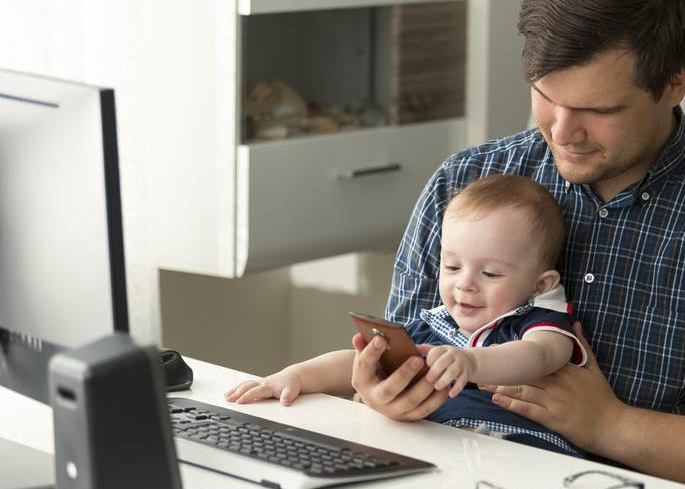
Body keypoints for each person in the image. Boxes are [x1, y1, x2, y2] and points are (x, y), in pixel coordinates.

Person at [352, 0, 685, 488]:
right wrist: (385, 390)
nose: (561, 131)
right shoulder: (465, 184)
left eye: (598, 111)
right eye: (545, 95)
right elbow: (405, 352)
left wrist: (612, 426)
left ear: (675, 83)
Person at [225, 174, 588, 456]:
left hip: (519, 452)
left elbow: (538, 357)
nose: (466, 285)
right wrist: (296, 375)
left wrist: (470, 363)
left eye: (490, 273)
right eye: (452, 266)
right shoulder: (434, 327)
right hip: (437, 452)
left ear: (541, 284)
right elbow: (357, 366)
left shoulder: (537, 324)